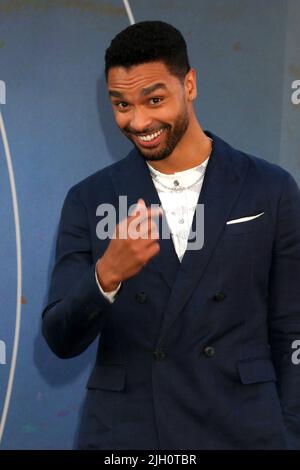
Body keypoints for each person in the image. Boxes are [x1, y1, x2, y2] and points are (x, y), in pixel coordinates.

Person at [42, 20, 300, 450]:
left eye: (154, 99)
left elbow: (292, 328)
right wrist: (106, 276)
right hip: (131, 436)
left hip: (243, 430)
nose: (139, 120)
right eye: (121, 105)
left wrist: (290, 434)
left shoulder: (269, 188)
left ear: (190, 84)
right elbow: (59, 339)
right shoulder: (90, 198)